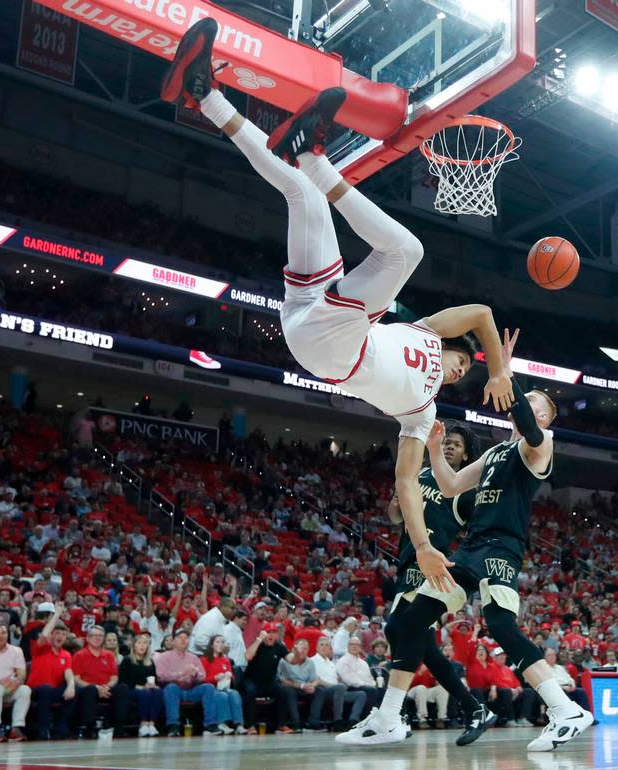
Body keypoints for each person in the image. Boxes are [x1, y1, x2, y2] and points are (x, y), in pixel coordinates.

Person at [162, 18, 514, 600]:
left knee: (406, 248)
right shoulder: (423, 331)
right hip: (316, 315)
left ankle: (317, 158)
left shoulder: (422, 415)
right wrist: (499, 367)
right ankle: (205, 92)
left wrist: (426, 542)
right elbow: (478, 312)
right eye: (460, 364)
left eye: (462, 375)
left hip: (334, 351)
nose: (457, 372)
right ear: (450, 351)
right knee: (302, 194)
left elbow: (420, 482)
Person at [339, 329, 593, 751]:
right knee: (406, 622)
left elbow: (528, 428)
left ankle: (565, 710)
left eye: (535, 404)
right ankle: (387, 717)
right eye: (526, 401)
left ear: (546, 418)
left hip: (502, 547)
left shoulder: (542, 443)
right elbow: (453, 484)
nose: (527, 406)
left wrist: (504, 371)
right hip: (471, 548)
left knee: (499, 624)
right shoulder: (494, 453)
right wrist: (436, 448)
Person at [382, 421, 488, 742]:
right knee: (415, 641)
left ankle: (393, 714)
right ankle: (473, 708)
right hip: (407, 560)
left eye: (455, 444)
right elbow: (395, 517)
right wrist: (396, 504)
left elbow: (481, 529)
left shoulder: (463, 490)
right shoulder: (418, 474)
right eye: (446, 443)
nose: (449, 447)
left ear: (466, 453)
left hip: (430, 567)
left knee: (400, 630)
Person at [154, 628, 224, 736]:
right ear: (173, 641)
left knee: (208, 687)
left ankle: (210, 725)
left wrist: (196, 674)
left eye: (186, 638)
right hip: (175, 690)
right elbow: (160, 676)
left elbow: (203, 676)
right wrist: (181, 673)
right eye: (180, 638)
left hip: (191, 689)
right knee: (171, 688)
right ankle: (173, 726)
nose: (183, 640)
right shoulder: (164, 657)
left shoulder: (194, 657)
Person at [27, 607, 77, 741]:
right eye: (57, 633)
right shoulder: (40, 648)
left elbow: (68, 672)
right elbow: (44, 635)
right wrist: (57, 614)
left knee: (72, 691)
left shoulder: (66, 654)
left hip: (53, 690)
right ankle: (42, 730)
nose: (60, 636)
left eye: (63, 634)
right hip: (36, 689)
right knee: (46, 689)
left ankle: (61, 728)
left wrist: (71, 686)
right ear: (51, 635)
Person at [71, 625, 126, 738]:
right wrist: (96, 687)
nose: (97, 638)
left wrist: (105, 687)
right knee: (90, 690)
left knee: (122, 688)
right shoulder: (79, 655)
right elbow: (76, 679)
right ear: (88, 638)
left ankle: (118, 728)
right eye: (94, 636)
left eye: (100, 636)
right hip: (87, 690)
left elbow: (114, 677)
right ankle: (90, 728)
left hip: (106, 688)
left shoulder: (109, 655)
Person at [242, 621, 290, 734]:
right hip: (252, 680)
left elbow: (291, 660)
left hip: (269, 682)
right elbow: (248, 656)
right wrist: (259, 639)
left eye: (274, 632)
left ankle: (280, 725)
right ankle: (250, 725)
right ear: (263, 633)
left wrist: (297, 653)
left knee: (283, 691)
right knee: (250, 691)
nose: (271, 635)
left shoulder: (279, 647)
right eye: (268, 632)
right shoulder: (257, 644)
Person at [311, 635, 365, 729]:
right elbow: (316, 680)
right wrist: (336, 686)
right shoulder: (312, 661)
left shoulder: (331, 663)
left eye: (326, 645)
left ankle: (353, 721)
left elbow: (338, 678)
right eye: (321, 645)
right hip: (323, 690)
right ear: (316, 647)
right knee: (339, 687)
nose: (324, 647)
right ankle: (337, 720)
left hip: (338, 690)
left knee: (361, 694)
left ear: (329, 649)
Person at [117, 632, 164, 737]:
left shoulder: (150, 662)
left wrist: (154, 685)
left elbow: (154, 678)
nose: (142, 645)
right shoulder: (127, 660)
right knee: (145, 693)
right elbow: (123, 681)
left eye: (144, 643)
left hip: (147, 688)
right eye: (139, 643)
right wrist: (141, 687)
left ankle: (151, 724)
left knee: (158, 692)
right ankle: (143, 724)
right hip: (131, 689)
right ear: (134, 646)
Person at [201, 634, 245, 734]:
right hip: (212, 688)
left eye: (222, 642)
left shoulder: (226, 660)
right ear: (211, 645)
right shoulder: (205, 660)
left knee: (234, 694)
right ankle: (222, 723)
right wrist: (215, 678)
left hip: (224, 686)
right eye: (218, 642)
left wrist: (230, 675)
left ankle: (239, 724)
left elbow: (232, 677)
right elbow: (202, 679)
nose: (221, 644)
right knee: (222, 696)